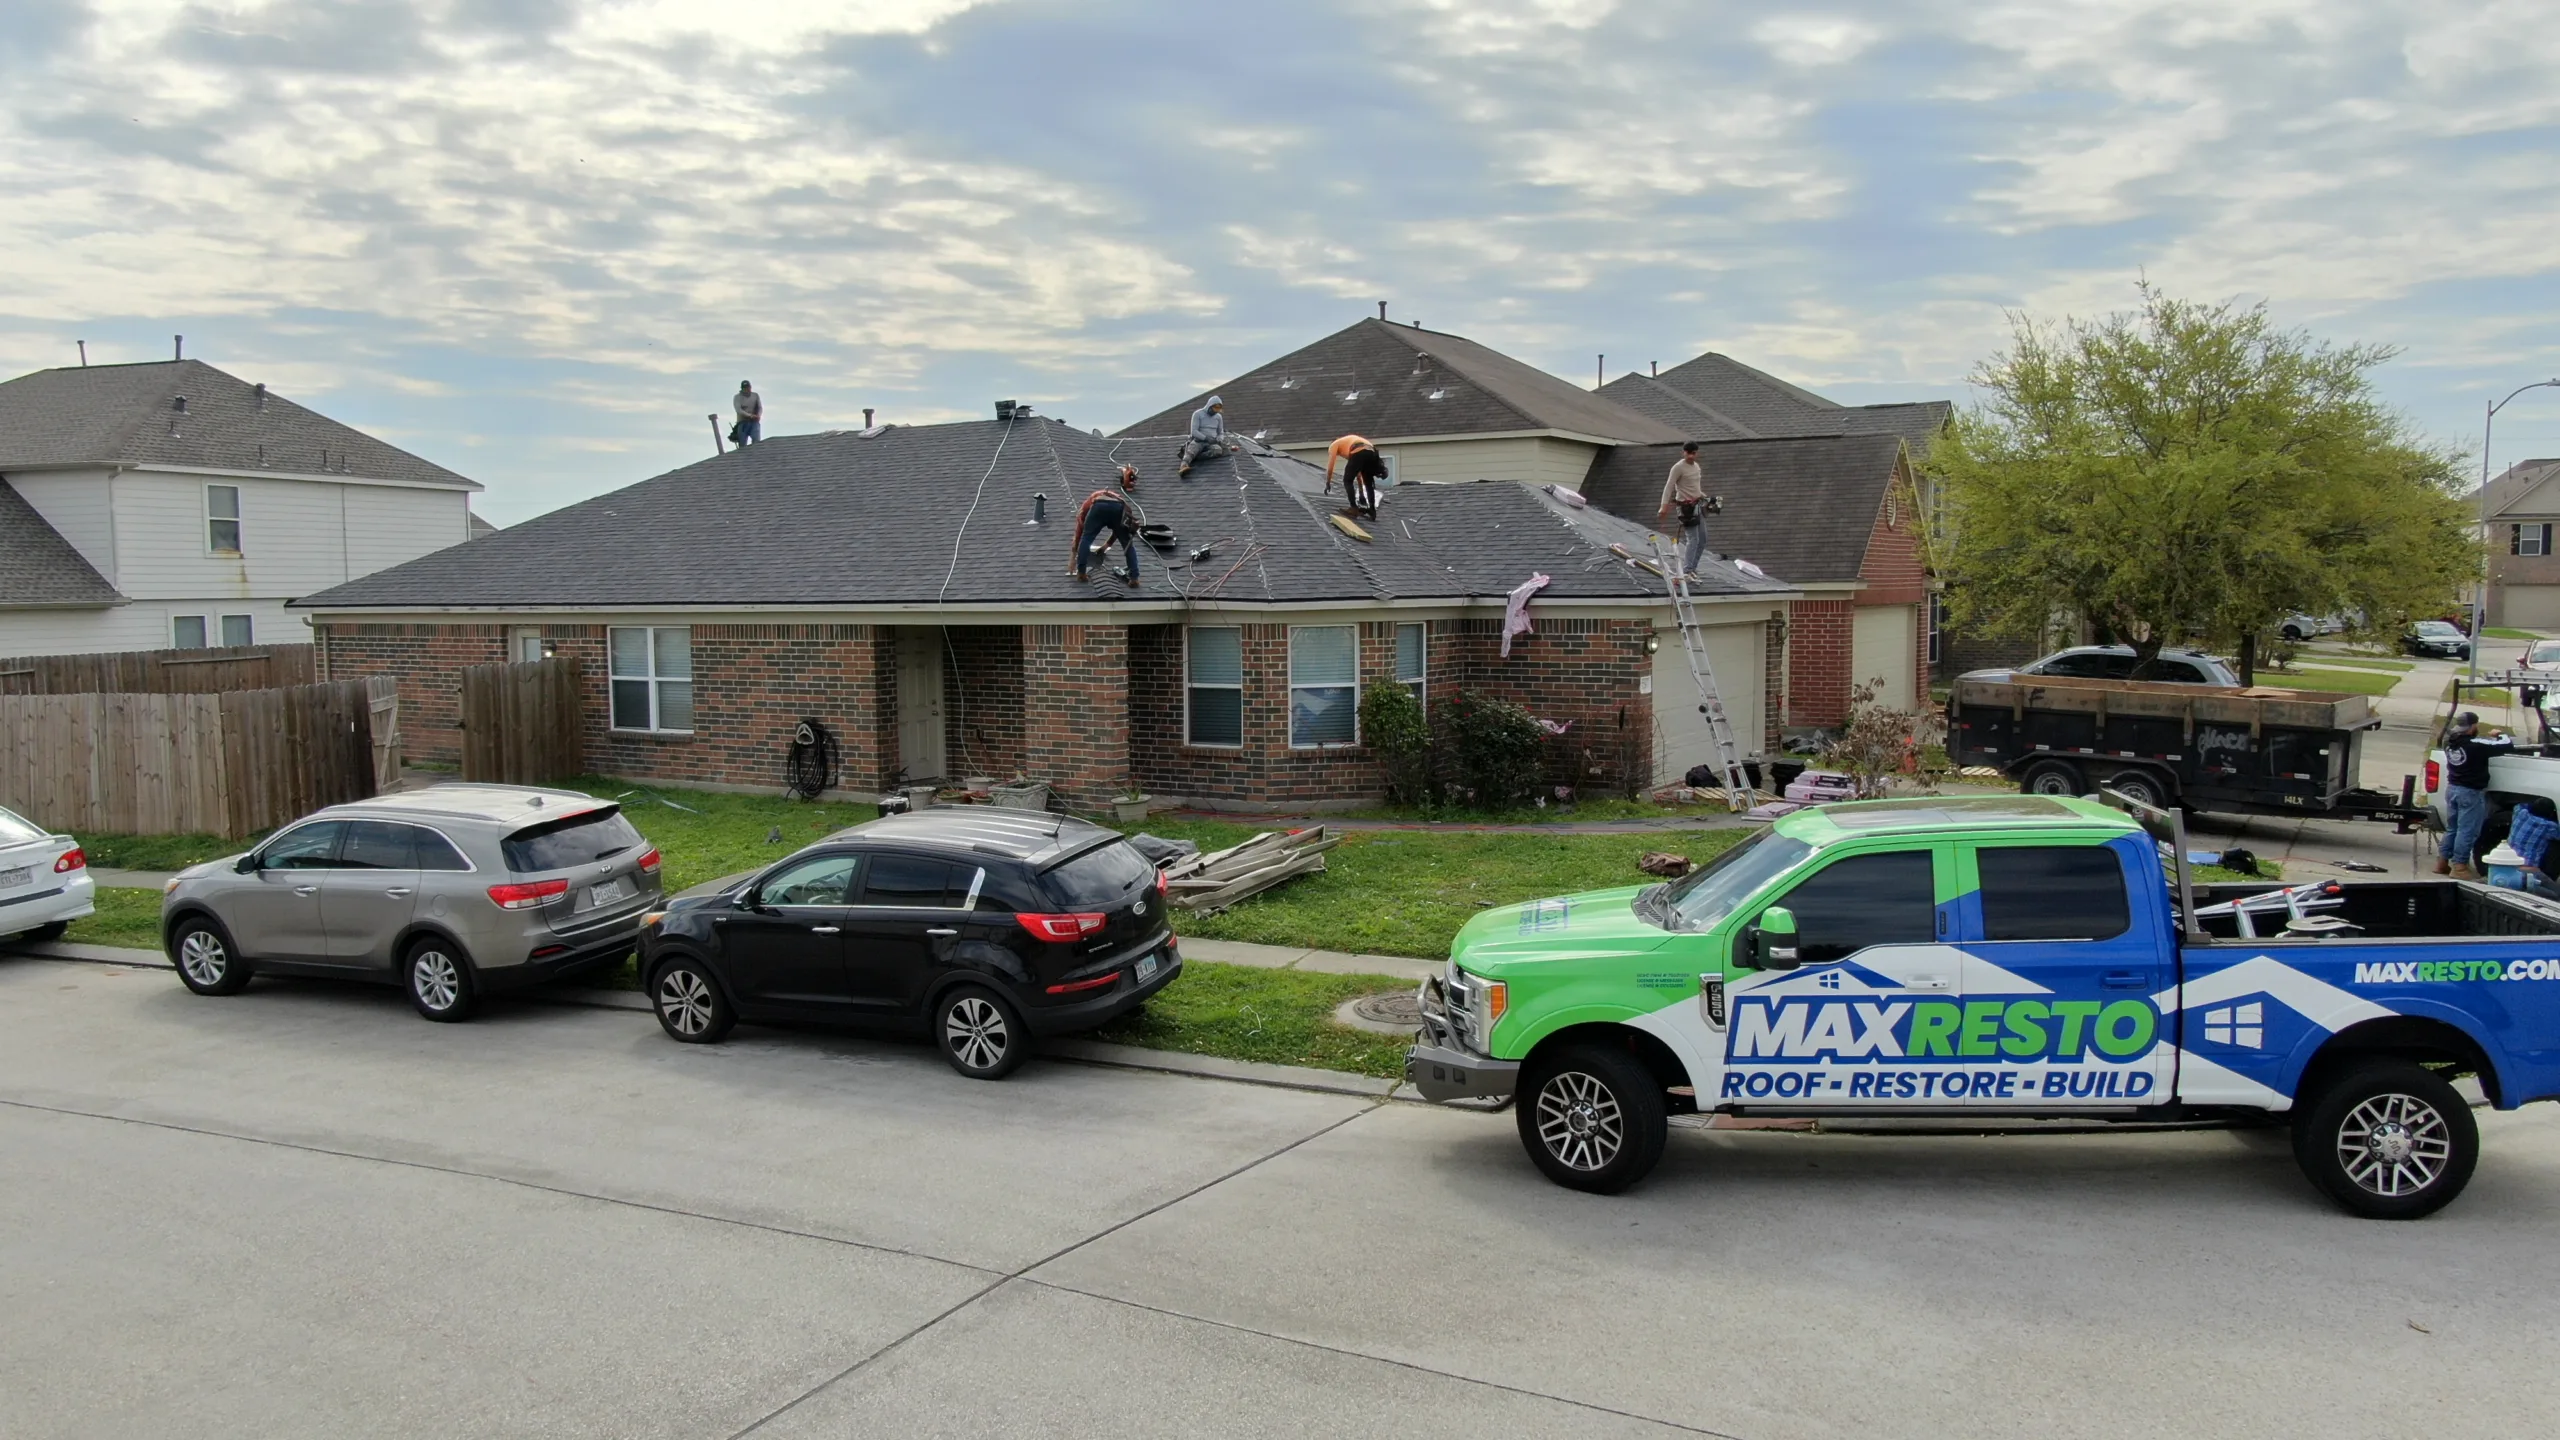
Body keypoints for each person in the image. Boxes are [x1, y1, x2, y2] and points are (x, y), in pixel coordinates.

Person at [2438, 711, 2513, 879]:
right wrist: (2499, 734)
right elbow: (2507, 745)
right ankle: (2459, 867)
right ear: (2473, 726)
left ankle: (2442, 862)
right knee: (2467, 830)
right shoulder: (2476, 745)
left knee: (2452, 828)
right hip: (2470, 792)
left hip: (2452, 789)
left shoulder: (2449, 743)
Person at [1069, 465, 1144, 587]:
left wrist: (1073, 554)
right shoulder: (1117, 498)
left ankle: (1081, 573)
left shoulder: (1086, 506)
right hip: (1119, 508)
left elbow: (1080, 531)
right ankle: (1134, 578)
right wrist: (1106, 545)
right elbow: (1119, 529)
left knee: (1086, 538)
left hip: (1099, 505)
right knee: (1127, 543)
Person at [1655, 441, 1709, 576]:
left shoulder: (1696, 467)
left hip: (1697, 504)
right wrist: (1663, 507)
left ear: (1697, 453)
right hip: (1686, 508)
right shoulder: (1678, 467)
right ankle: (1687, 570)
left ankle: (1693, 567)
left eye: (1693, 453)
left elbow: (1695, 488)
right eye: (1688, 453)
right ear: (1683, 452)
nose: (1690, 456)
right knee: (1693, 539)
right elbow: (1668, 487)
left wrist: (1705, 497)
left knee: (1703, 538)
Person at [1334, 439, 1388, 520]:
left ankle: (1353, 508)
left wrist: (1328, 482)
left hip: (1361, 452)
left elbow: (1356, 473)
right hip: (1372, 453)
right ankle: (1372, 511)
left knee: (1347, 480)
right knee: (1368, 482)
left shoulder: (1342, 447)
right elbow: (1359, 474)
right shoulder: (1352, 441)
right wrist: (1361, 493)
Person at [1178, 395, 1230, 476]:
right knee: (1191, 452)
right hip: (1198, 441)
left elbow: (1220, 432)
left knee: (1217, 451)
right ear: (1209, 406)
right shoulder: (1198, 414)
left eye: (1217, 410)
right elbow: (1194, 431)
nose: (1215, 412)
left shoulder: (1218, 417)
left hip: (1212, 443)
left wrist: (1219, 439)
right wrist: (1205, 438)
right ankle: (1183, 467)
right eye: (1214, 409)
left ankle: (1196, 457)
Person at [733, 381, 763, 447]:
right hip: (743, 422)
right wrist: (750, 415)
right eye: (745, 388)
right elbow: (738, 410)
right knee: (742, 444)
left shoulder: (755, 395)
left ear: (750, 387)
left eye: (748, 387)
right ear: (742, 389)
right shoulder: (737, 397)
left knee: (756, 442)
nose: (747, 389)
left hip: (754, 422)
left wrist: (758, 415)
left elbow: (760, 407)